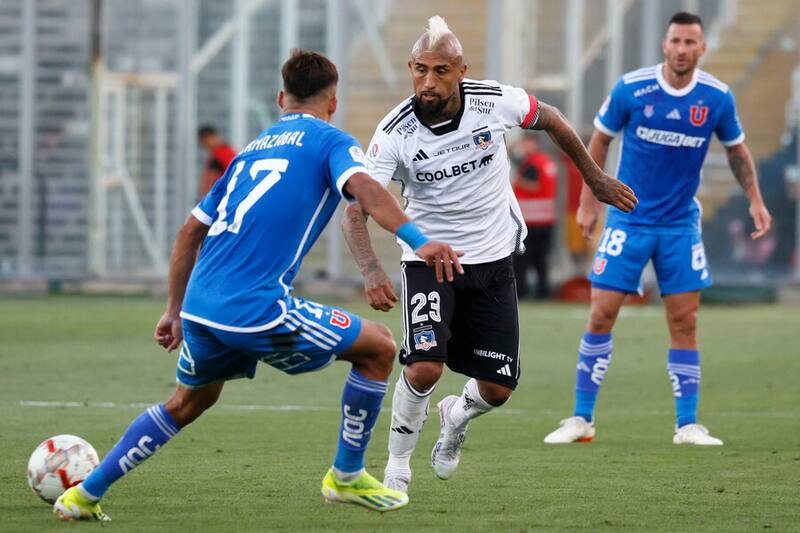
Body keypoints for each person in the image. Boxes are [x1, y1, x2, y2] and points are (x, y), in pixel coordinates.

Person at [53, 49, 464, 521]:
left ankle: (83, 495)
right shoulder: (331, 140)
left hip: (201, 307)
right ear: (333, 101)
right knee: (379, 348)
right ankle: (346, 476)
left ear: (280, 98)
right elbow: (367, 191)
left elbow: (190, 231)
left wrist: (173, 309)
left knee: (188, 402)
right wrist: (418, 238)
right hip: (255, 306)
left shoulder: (250, 150)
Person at [341, 16, 636, 494]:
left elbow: (554, 119)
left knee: (497, 389)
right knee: (423, 366)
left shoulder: (493, 100)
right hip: (428, 260)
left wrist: (595, 178)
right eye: (419, 70)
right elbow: (358, 209)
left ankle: (455, 416)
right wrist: (372, 268)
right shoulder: (394, 132)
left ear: (461, 70)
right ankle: (397, 466)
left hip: (495, 258)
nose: (428, 82)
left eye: (439, 71)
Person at [544, 12, 772, 446]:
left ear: (702, 49)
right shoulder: (632, 88)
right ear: (664, 46)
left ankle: (687, 425)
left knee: (684, 321)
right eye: (676, 41)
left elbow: (738, 152)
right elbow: (600, 139)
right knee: (600, 313)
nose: (682, 49)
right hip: (628, 219)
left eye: (691, 42)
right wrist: (589, 201)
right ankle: (580, 419)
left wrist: (757, 200)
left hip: (680, 226)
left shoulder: (717, 98)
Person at [511, 133, 559, 299]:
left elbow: (534, 186)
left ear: (534, 143)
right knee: (541, 260)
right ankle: (542, 292)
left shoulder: (532, 163)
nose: (523, 146)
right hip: (546, 219)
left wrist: (516, 180)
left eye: (525, 142)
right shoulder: (546, 161)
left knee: (522, 259)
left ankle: (522, 291)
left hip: (531, 220)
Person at [198, 125, 237, 197]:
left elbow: (212, 179)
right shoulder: (229, 151)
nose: (203, 145)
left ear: (208, 137)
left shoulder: (219, 155)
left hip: (221, 198)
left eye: (203, 141)